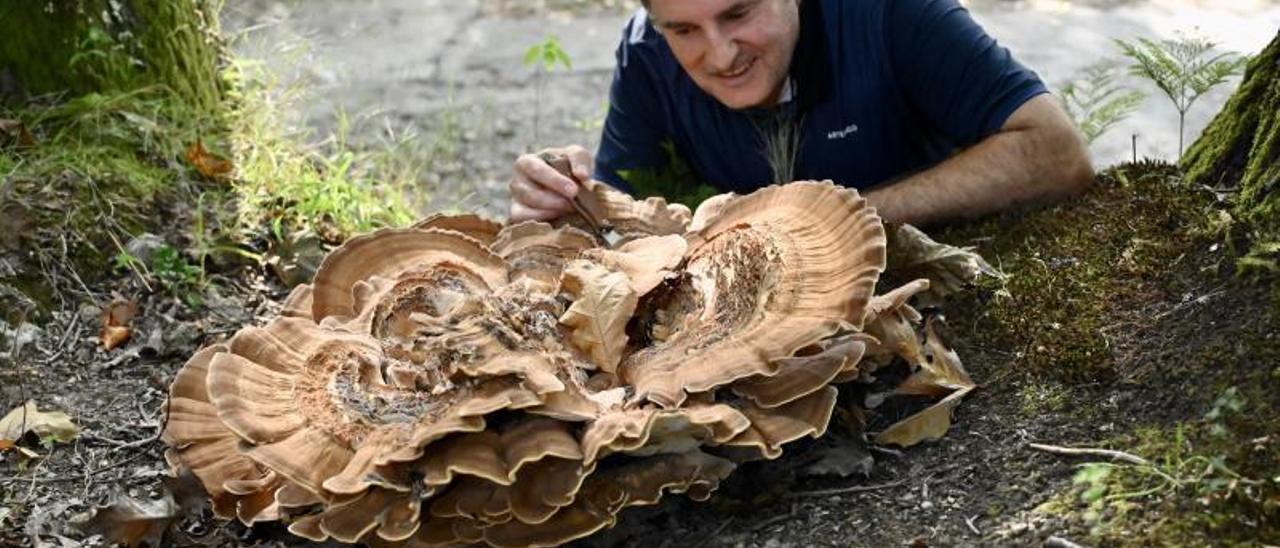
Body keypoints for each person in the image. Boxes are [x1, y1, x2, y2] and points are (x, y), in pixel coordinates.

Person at [507, 0, 1093, 226]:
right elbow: (614, 230)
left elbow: (1056, 152)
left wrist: (839, 222)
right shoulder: (646, 55)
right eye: (684, 29)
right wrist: (562, 201)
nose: (720, 54)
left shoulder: (893, 13)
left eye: (738, 14)